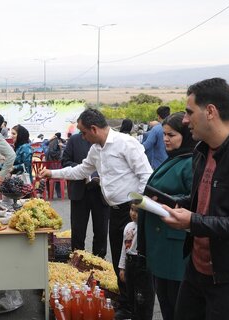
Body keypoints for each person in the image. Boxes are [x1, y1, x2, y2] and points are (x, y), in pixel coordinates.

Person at [39, 109, 152, 319]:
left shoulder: (126, 143)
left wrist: (139, 208)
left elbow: (146, 175)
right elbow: (81, 170)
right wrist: (52, 173)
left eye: (83, 132)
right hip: (115, 211)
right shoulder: (96, 149)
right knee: (120, 260)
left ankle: (141, 312)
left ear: (93, 129)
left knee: (137, 265)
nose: (82, 137)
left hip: (133, 212)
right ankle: (126, 307)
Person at [161, 78, 229, 320]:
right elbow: (204, 200)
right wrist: (172, 203)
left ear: (211, 112)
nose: (185, 120)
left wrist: (193, 222)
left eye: (189, 112)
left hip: (228, 280)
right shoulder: (201, 152)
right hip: (196, 271)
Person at [137, 111, 196, 320]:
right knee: (166, 302)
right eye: (164, 134)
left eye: (171, 135)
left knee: (176, 305)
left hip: (175, 246)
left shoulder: (190, 162)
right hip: (161, 244)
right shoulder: (174, 159)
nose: (165, 139)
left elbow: (195, 198)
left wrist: (163, 201)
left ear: (185, 135)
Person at [62, 132, 109, 257]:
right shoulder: (75, 140)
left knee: (101, 230)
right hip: (79, 191)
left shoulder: (106, 141)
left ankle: (99, 263)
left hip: (101, 192)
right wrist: (84, 170)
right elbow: (65, 162)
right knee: (78, 230)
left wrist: (97, 175)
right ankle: (77, 261)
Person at [119, 205, 154, 320]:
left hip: (142, 264)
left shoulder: (147, 228)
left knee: (142, 298)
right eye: (132, 209)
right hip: (129, 262)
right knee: (131, 295)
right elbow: (124, 249)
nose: (133, 213)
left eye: (137, 211)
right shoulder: (128, 226)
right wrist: (122, 267)